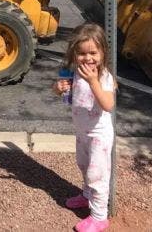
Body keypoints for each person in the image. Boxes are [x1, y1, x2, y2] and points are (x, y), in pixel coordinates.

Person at [53, 23, 116, 232]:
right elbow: (64, 95)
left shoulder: (103, 76)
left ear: (102, 52)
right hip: (82, 132)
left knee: (97, 174)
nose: (88, 58)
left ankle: (99, 217)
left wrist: (93, 82)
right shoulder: (75, 72)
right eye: (81, 53)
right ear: (74, 53)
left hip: (99, 135)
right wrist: (59, 88)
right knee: (83, 165)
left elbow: (108, 105)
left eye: (93, 53)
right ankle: (87, 196)